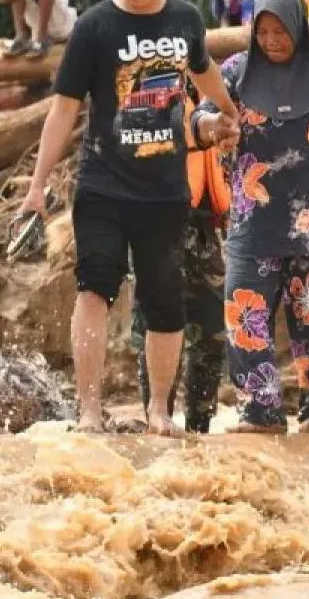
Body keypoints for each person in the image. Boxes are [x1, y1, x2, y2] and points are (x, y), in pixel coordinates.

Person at [18, 0, 240, 437]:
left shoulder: (184, 19)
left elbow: (202, 69)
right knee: (96, 286)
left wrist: (228, 110)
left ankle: (159, 410)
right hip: (104, 185)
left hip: (165, 191)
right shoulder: (94, 27)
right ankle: (90, 410)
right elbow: (63, 110)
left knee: (165, 298)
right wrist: (36, 185)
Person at [191, 0, 309, 437]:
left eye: (280, 31)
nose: (271, 40)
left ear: (297, 28)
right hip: (256, 217)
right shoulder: (235, 72)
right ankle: (261, 411)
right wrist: (212, 126)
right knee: (244, 309)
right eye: (263, 31)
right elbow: (203, 113)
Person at [130, 83, 227, 435]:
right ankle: (158, 418)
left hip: (204, 226)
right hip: (157, 224)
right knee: (154, 324)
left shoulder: (212, 93)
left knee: (213, 332)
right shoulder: (143, 91)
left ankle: (200, 425)